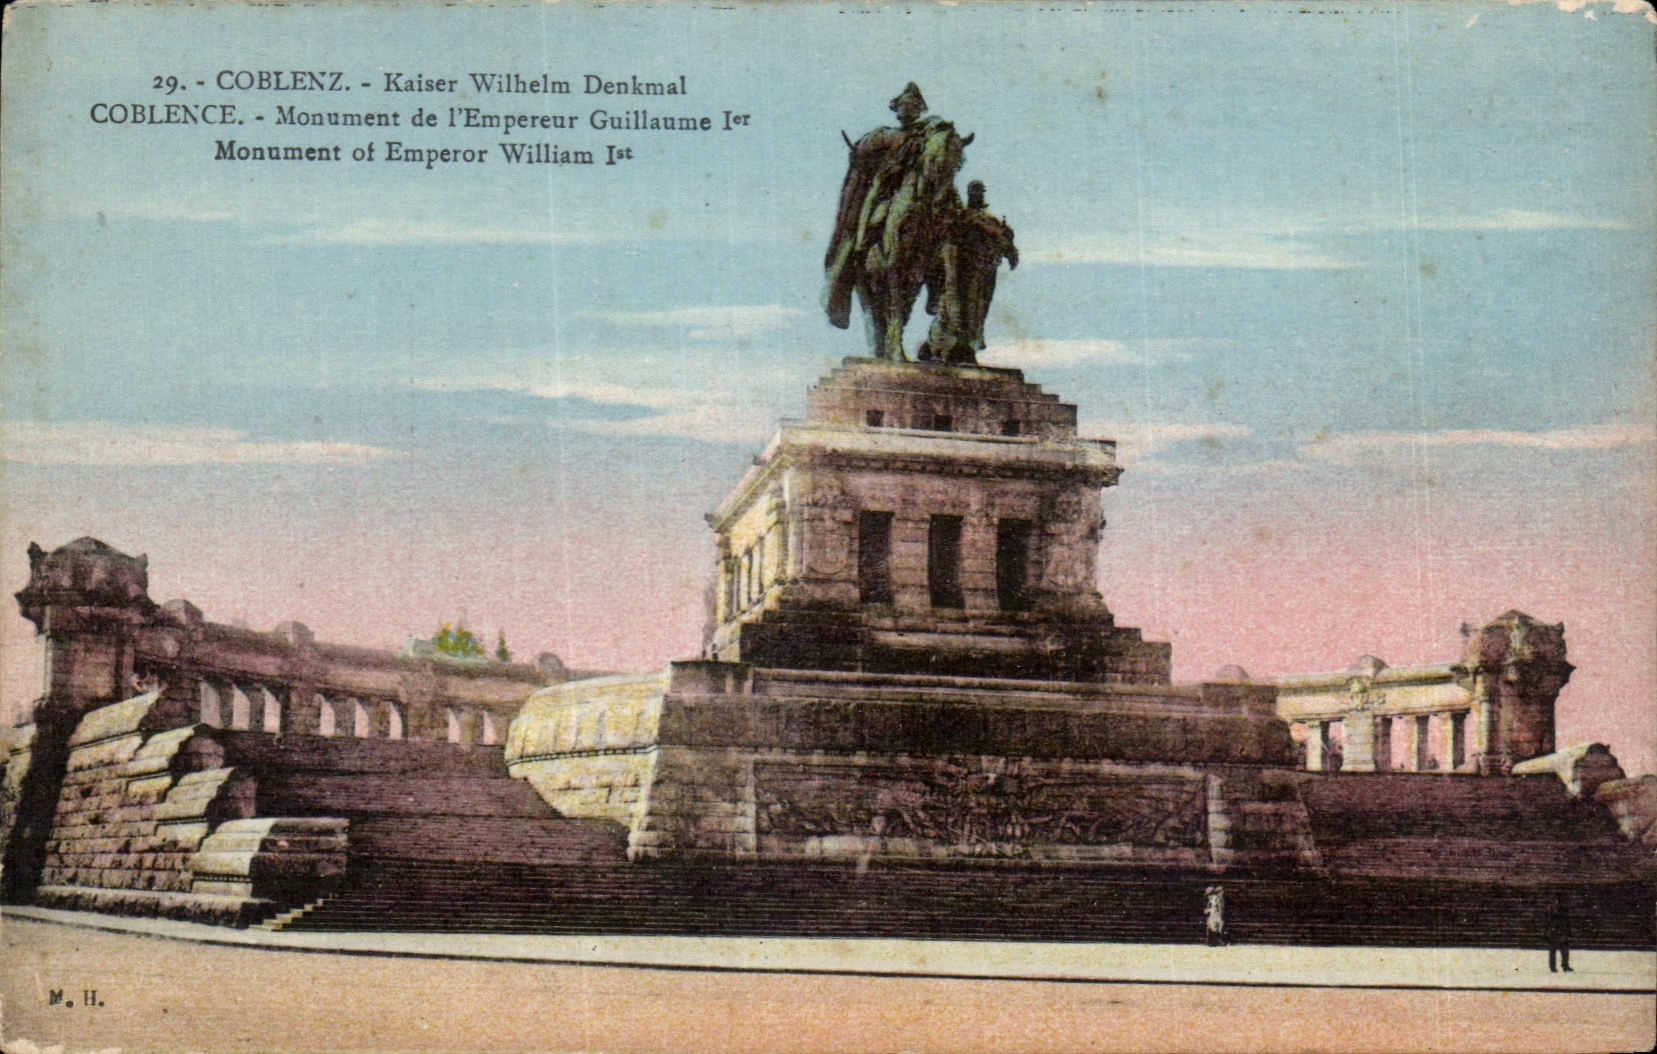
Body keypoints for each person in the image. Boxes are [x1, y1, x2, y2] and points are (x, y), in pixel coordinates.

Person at [824, 84, 968, 361]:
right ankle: (863, 247)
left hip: (930, 191)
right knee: (880, 213)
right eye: (904, 105)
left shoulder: (932, 132)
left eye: (914, 105)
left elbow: (941, 161)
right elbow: (862, 156)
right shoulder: (885, 135)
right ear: (897, 109)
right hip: (891, 192)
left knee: (955, 227)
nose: (909, 109)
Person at [919, 180, 1018, 364]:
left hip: (982, 274)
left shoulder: (990, 220)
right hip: (961, 272)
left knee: (976, 312)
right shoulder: (962, 217)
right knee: (952, 310)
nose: (977, 194)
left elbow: (1004, 243)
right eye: (973, 190)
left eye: (980, 191)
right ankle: (937, 347)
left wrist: (1010, 249)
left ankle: (963, 348)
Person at [1545, 895, 1572, 972]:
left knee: (1563, 950)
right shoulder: (1551, 911)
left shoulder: (1560, 910)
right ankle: (1556, 967)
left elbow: (1566, 921)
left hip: (1559, 931)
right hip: (1555, 931)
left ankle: (1562, 965)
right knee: (1556, 951)